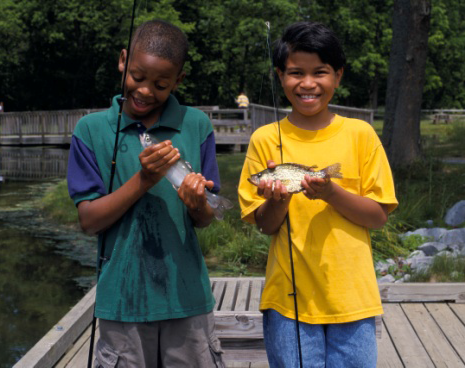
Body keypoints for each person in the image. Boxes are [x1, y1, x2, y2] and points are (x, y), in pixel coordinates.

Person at [238, 21, 398, 367]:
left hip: (353, 299)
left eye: (320, 72)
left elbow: (378, 216)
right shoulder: (265, 139)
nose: (307, 83)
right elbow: (265, 225)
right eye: (296, 73)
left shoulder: (361, 134)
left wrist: (331, 194)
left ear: (337, 76)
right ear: (281, 76)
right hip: (287, 300)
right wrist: (277, 198)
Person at [67, 20, 225, 368]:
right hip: (122, 301)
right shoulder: (90, 130)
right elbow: (89, 221)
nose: (145, 91)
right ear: (123, 60)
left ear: (178, 81)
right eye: (138, 77)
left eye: (161, 84)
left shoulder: (196, 124)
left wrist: (199, 204)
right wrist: (144, 180)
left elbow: (205, 219)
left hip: (189, 299)